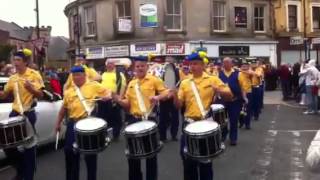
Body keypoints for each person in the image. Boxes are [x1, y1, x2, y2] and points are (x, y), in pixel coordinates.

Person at [172, 51, 233, 180]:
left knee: (205, 161)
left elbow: (229, 96)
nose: (192, 67)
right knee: (187, 159)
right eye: (191, 64)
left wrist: (219, 90)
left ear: (202, 66)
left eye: (195, 64)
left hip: (206, 124)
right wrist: (174, 96)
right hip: (189, 124)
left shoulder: (212, 79)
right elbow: (178, 106)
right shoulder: (184, 83)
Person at [113, 55, 171, 180]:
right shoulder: (132, 83)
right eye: (137, 66)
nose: (139, 68)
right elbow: (127, 104)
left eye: (142, 66)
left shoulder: (154, 80)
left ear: (147, 66)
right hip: (134, 120)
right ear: (135, 67)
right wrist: (118, 100)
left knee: (151, 155)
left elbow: (166, 92)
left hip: (149, 119)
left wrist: (157, 97)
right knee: (133, 155)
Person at [54, 66, 112, 180]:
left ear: (84, 75)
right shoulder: (69, 91)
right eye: (74, 75)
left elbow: (107, 91)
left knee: (90, 155)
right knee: (70, 152)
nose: (76, 78)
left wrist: (107, 96)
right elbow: (63, 110)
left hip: (88, 123)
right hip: (73, 124)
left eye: (78, 75)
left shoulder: (93, 85)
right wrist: (57, 123)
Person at [0, 49, 44, 180]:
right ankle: (21, 169)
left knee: (29, 147)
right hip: (15, 113)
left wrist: (31, 89)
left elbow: (41, 94)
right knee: (7, 145)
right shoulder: (12, 78)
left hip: (28, 114)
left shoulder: (34, 74)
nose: (15, 63)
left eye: (18, 60)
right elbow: (4, 94)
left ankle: (28, 176)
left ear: (25, 62)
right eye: (14, 60)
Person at [218, 57, 248, 145]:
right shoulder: (218, 74)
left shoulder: (238, 74)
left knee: (234, 120)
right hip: (222, 101)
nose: (226, 64)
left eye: (228, 62)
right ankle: (224, 133)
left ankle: (233, 138)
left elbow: (242, 87)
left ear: (232, 64)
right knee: (222, 120)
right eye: (224, 62)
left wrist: (245, 97)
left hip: (235, 101)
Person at [97, 58, 126, 140]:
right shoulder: (102, 74)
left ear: (114, 65)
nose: (109, 65)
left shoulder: (119, 74)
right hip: (102, 100)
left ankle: (115, 135)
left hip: (114, 101)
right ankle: (104, 136)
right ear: (106, 65)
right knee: (102, 119)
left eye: (111, 63)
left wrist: (119, 99)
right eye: (108, 63)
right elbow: (97, 86)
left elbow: (123, 87)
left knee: (117, 120)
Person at [159, 56, 180, 141]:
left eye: (170, 61)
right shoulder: (161, 71)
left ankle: (174, 135)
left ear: (173, 62)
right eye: (167, 61)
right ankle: (162, 136)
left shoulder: (176, 71)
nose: (168, 62)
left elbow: (178, 83)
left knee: (175, 117)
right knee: (163, 117)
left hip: (173, 96)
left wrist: (174, 92)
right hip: (163, 97)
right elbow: (158, 83)